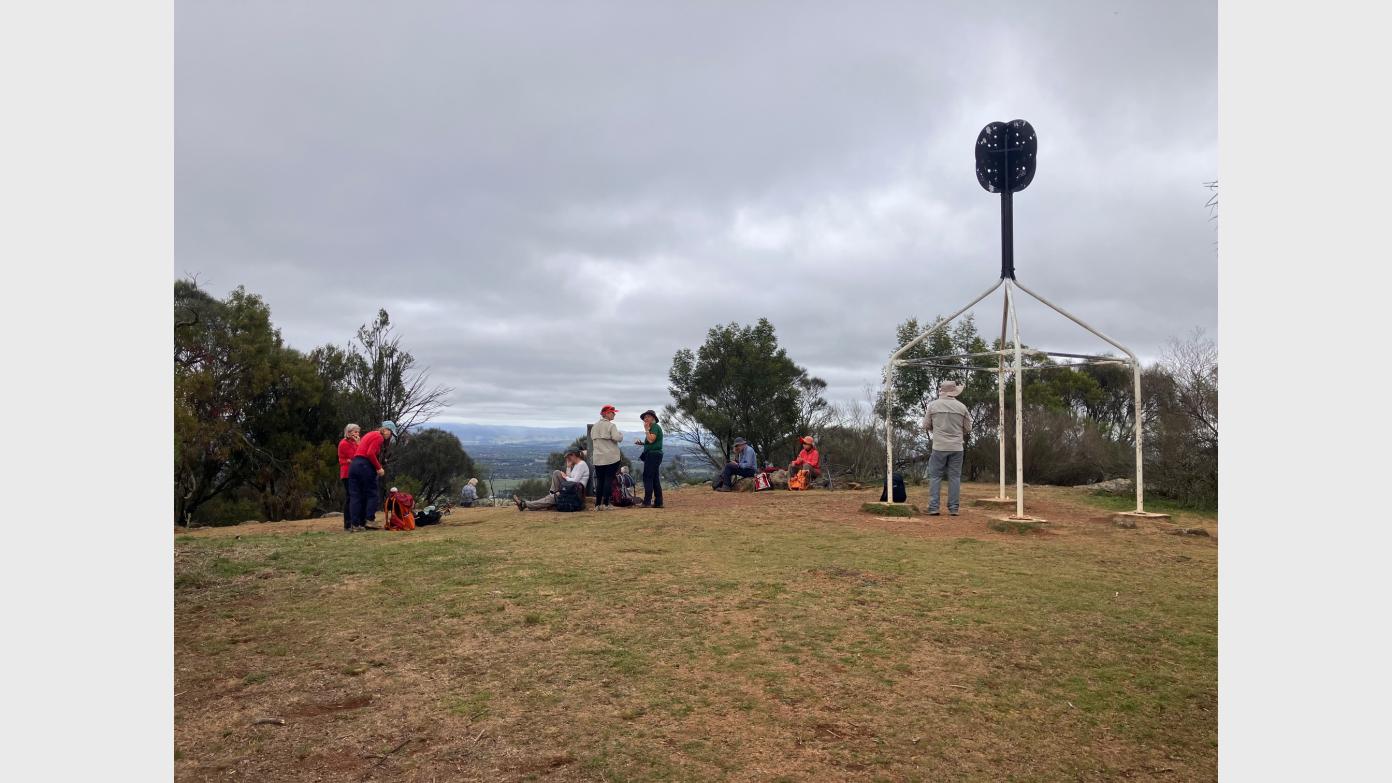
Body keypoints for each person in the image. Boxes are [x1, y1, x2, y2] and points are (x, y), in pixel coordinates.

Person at [924, 380, 970, 515]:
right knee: (955, 477)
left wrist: (936, 429)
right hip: (957, 447)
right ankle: (954, 508)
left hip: (939, 446)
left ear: (941, 391)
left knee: (935, 477)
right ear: (954, 392)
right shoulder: (962, 407)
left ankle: (934, 507)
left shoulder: (933, 405)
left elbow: (926, 425)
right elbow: (968, 428)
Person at [346, 420, 398, 532]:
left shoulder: (370, 434)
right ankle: (369, 520)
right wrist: (379, 468)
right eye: (391, 433)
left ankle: (355, 524)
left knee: (356, 496)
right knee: (372, 494)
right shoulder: (379, 437)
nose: (390, 436)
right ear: (386, 430)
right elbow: (370, 453)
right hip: (365, 465)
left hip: (354, 465)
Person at [513, 450, 591, 511]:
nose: (568, 459)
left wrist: (566, 477)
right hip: (571, 489)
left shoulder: (582, 464)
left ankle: (524, 504)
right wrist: (568, 467)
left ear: (573, 455)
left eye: (569, 457)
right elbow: (570, 478)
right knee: (557, 473)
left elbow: (575, 481)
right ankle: (553, 494)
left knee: (549, 499)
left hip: (575, 493)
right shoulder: (577, 464)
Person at [590, 405, 624, 512]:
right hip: (611, 458)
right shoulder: (611, 426)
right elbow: (617, 438)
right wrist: (621, 435)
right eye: (612, 412)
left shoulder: (594, 426)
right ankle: (606, 504)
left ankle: (597, 505)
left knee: (600, 481)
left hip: (598, 458)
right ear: (606, 413)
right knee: (608, 480)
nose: (614, 414)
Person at [634, 409, 664, 508]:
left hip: (653, 455)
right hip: (655, 455)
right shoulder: (653, 428)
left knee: (647, 477)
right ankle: (658, 502)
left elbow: (651, 440)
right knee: (654, 478)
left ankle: (647, 502)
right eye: (644, 417)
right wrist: (642, 443)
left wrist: (646, 429)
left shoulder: (654, 427)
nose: (645, 419)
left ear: (653, 418)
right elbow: (651, 441)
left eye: (648, 417)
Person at [337, 423, 361, 530]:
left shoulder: (354, 443)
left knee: (355, 497)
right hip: (347, 474)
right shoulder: (344, 443)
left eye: (358, 432)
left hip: (355, 472)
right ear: (348, 432)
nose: (357, 434)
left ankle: (355, 521)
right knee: (350, 497)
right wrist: (359, 444)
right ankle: (348, 523)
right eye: (355, 432)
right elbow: (356, 456)